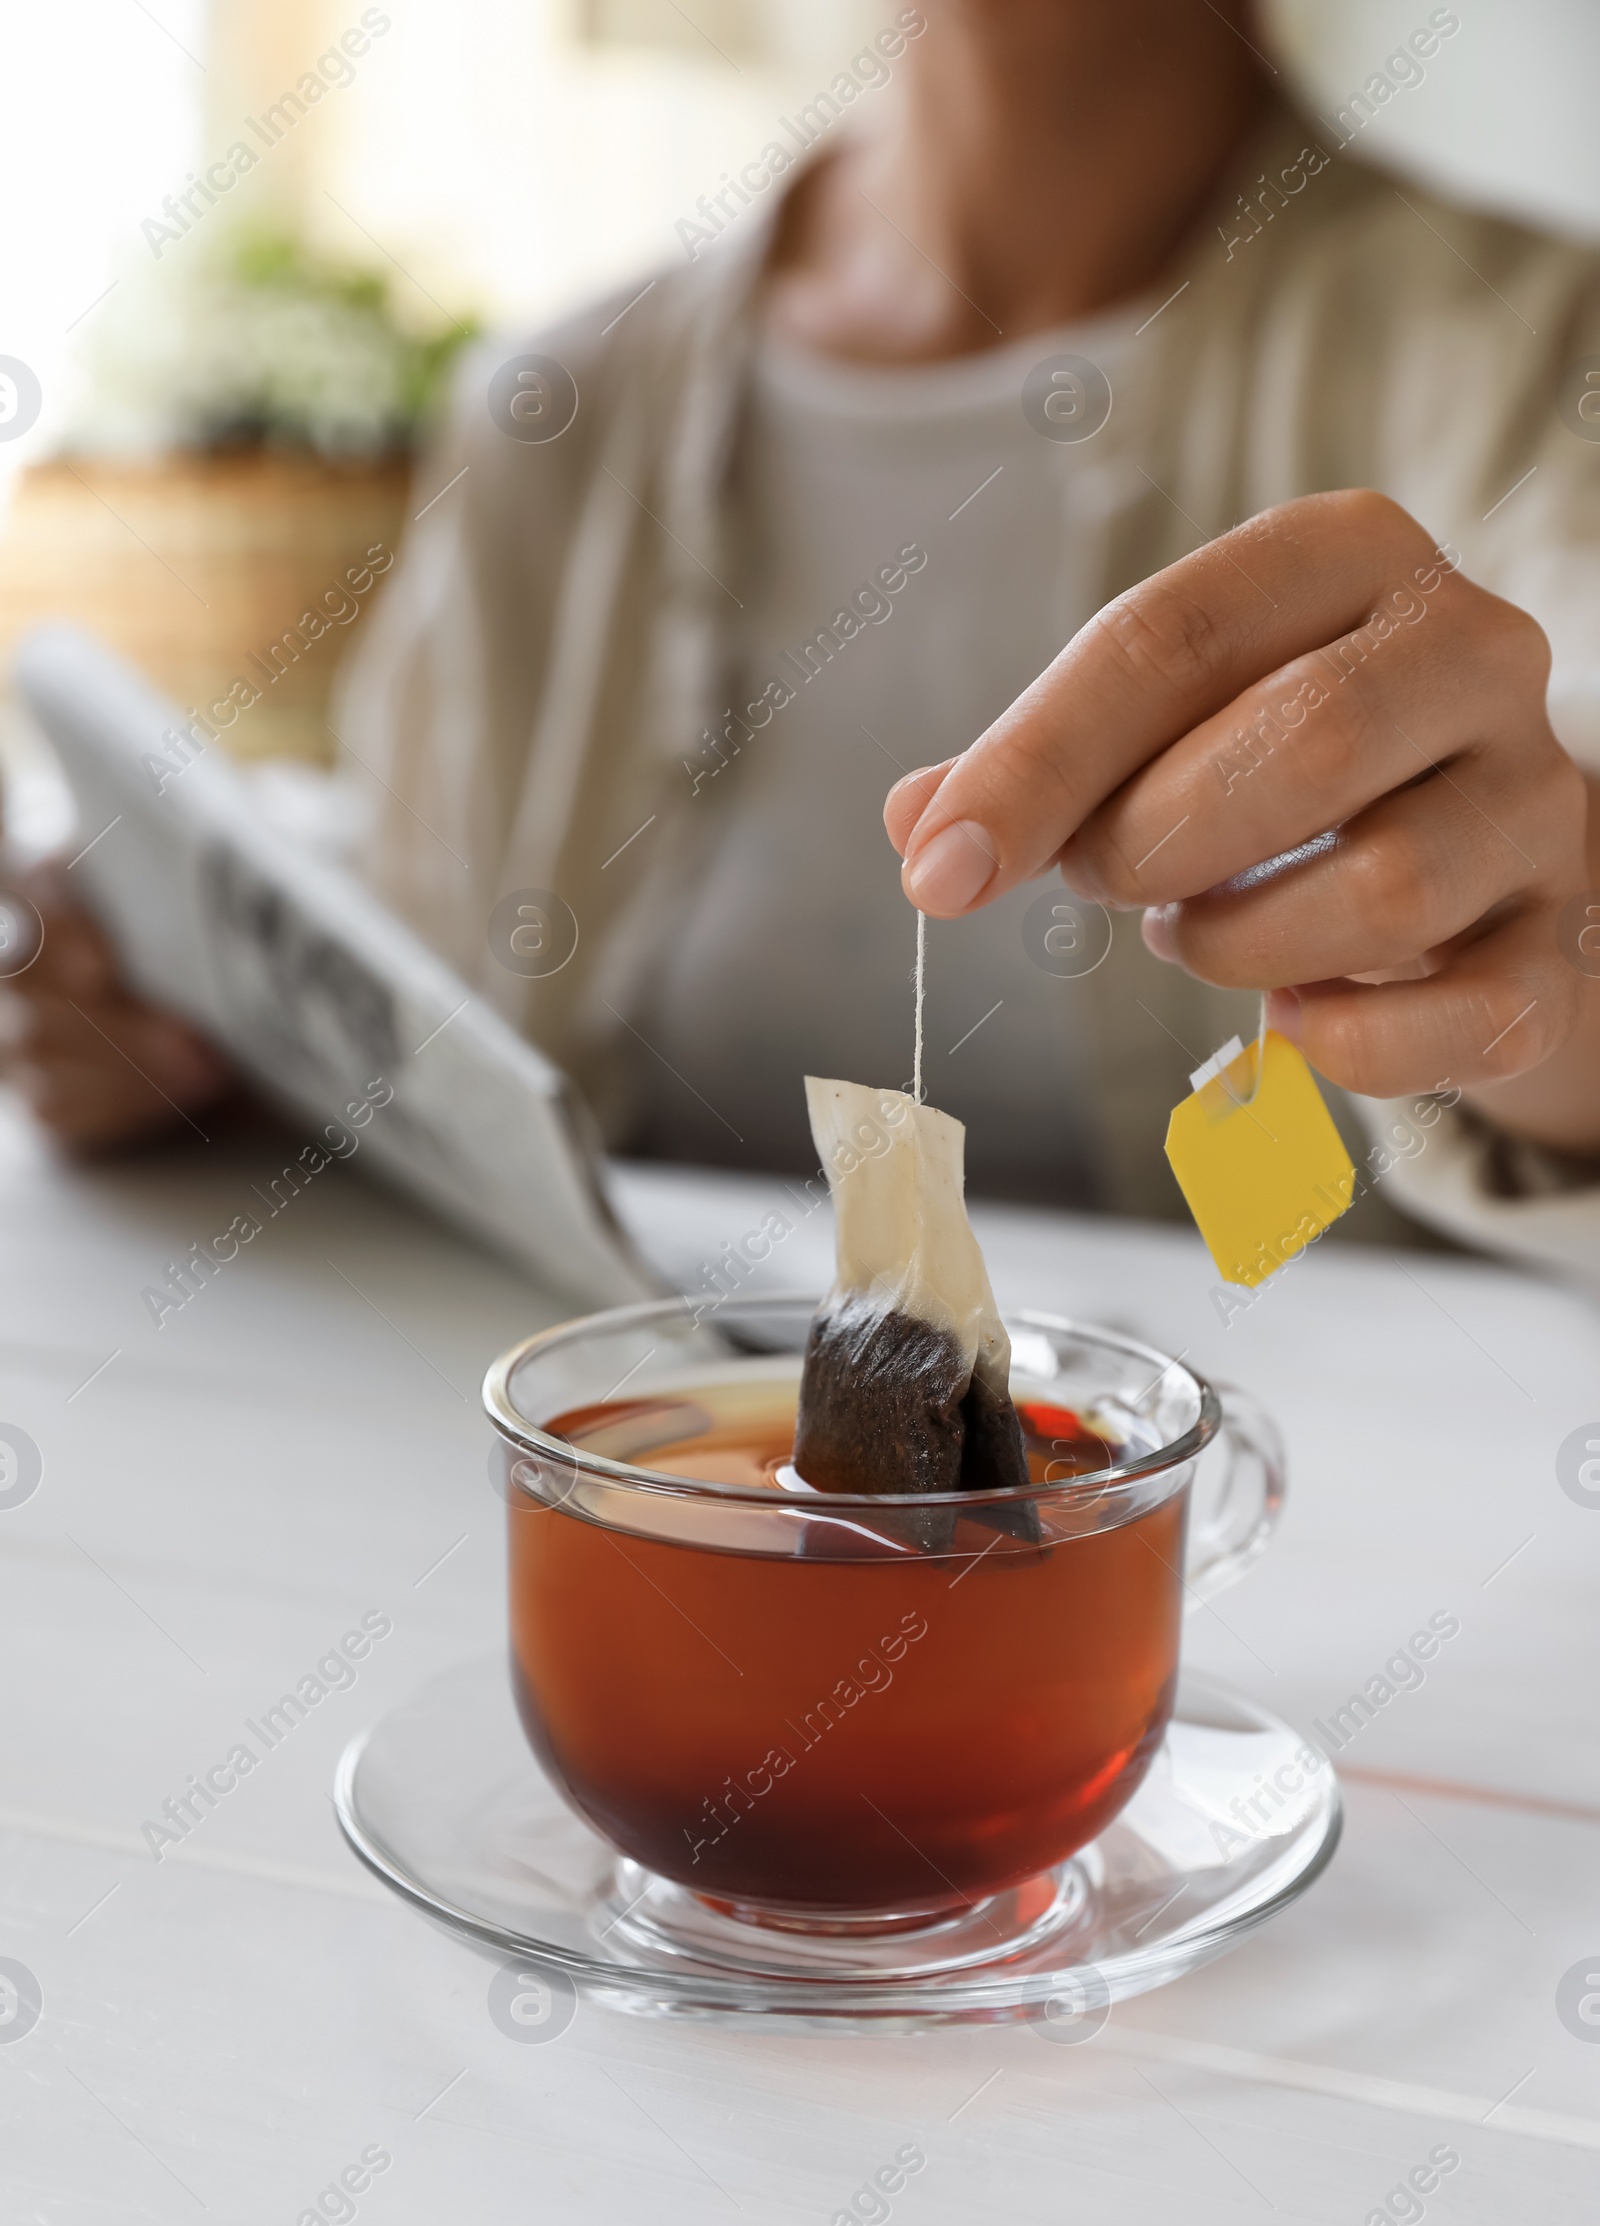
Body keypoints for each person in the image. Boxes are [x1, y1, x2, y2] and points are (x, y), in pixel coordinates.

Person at [7, 0, 1600, 1273]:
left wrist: (1557, 985)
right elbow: (437, 1027)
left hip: (1264, 1566)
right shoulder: (556, 421)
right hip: (654, 1532)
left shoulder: (1537, 361)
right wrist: (185, 1039)